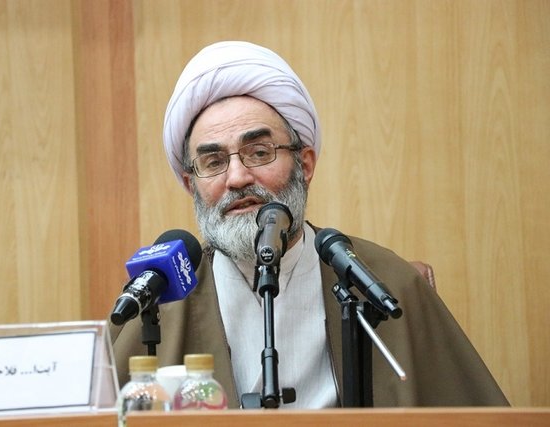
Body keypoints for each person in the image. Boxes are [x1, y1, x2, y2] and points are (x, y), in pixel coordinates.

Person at [110, 41, 508, 408]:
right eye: (213, 162)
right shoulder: (159, 300)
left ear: (305, 164)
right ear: (190, 184)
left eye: (259, 152)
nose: (237, 178)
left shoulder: (385, 277)